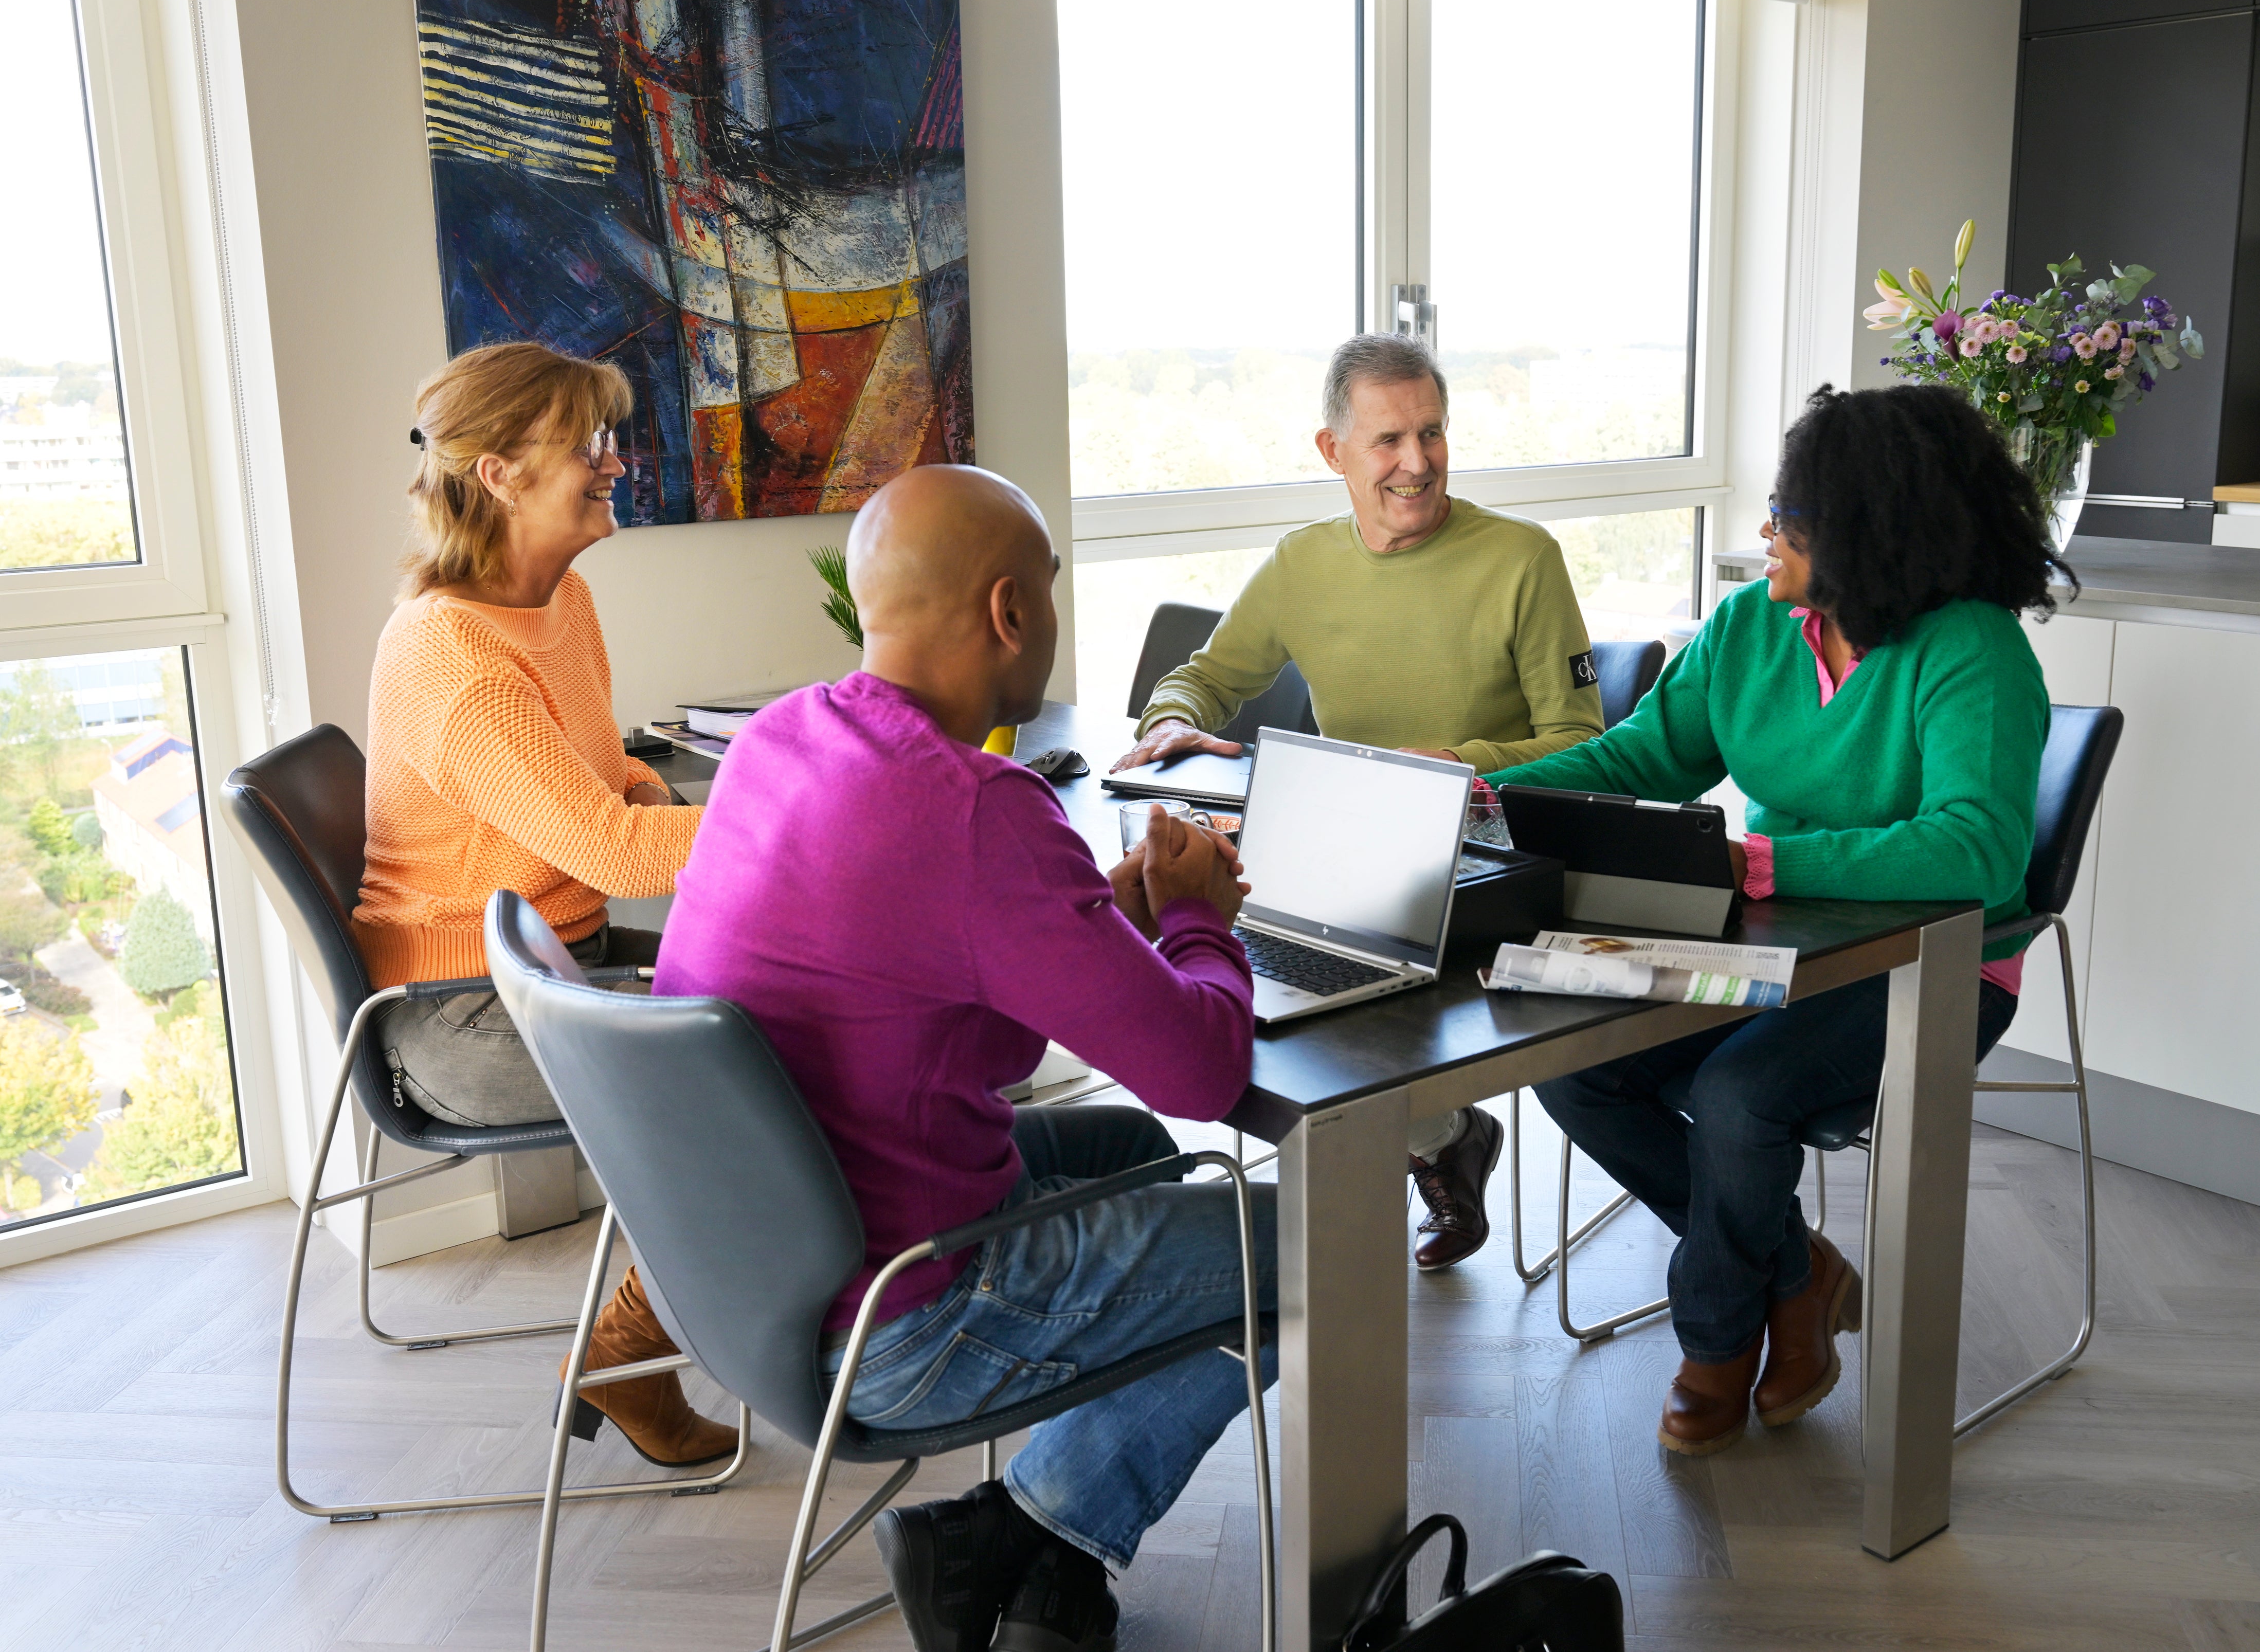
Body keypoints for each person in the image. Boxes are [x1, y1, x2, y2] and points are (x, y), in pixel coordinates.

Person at [654, 464, 1270, 1652]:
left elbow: (943, 995)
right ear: (1010, 612)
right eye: (1048, 587)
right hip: (902, 1320)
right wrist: (1198, 918)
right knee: (1308, 1243)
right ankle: (1016, 1528)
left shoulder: (782, 736)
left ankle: (1047, 1565)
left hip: (746, 1285)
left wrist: (1104, 922)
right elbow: (1203, 1075)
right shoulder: (977, 807)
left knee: (1140, 1156)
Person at [1491, 383, 2064, 1458]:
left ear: (1866, 529)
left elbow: (1977, 851)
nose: (1767, 532)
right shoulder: (1753, 626)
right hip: (1772, 950)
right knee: (1568, 1059)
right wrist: (1491, 795)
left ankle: (1716, 1337)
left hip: (1937, 969)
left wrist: (1765, 860)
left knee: (1740, 1092)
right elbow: (1638, 757)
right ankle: (1796, 1276)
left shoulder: (1972, 652)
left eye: (1790, 515)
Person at [1112, 332, 1607, 1270]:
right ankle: (1433, 1143)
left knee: (1274, 992)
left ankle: (1375, 1183)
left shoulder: (1522, 559)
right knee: (1218, 969)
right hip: (1343, 862)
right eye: (1386, 441)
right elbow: (1206, 678)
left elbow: (1583, 746)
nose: (1415, 463)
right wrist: (1174, 717)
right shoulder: (1303, 564)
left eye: (1431, 433)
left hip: (1482, 861)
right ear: (1331, 451)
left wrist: (1450, 764)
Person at [352, 341, 734, 1471]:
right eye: (588, 442)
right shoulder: (452, 655)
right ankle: (632, 1352)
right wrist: (811, 822)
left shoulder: (558, 599)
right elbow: (612, 847)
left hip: (552, 957)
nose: (613, 462)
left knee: (805, 1032)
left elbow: (611, 782)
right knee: (759, 1098)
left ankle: (654, 1336)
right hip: (457, 1010)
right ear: (499, 471)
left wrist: (667, 792)